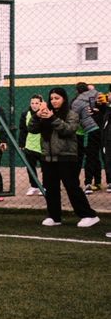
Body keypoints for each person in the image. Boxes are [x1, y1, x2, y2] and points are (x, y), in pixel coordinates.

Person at [30, 89, 99, 228]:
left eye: (57, 98)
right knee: (51, 188)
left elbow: (68, 129)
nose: (54, 101)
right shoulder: (45, 113)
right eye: (52, 98)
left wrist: (52, 118)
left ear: (64, 99)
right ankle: (54, 217)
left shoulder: (71, 114)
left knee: (72, 187)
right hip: (48, 158)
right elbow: (32, 129)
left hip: (66, 157)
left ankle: (89, 215)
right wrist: (37, 116)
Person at [71, 82, 102, 193]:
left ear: (77, 91)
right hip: (97, 129)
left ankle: (83, 184)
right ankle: (96, 182)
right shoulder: (96, 95)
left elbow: (73, 118)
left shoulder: (76, 101)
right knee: (94, 157)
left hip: (83, 132)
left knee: (81, 159)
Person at [20, 95, 44, 195]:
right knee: (30, 167)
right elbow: (23, 130)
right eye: (32, 103)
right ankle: (34, 186)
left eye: (37, 103)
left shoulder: (45, 113)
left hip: (42, 146)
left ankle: (45, 186)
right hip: (29, 145)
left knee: (46, 168)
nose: (34, 105)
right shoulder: (25, 114)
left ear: (41, 104)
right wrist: (21, 144)